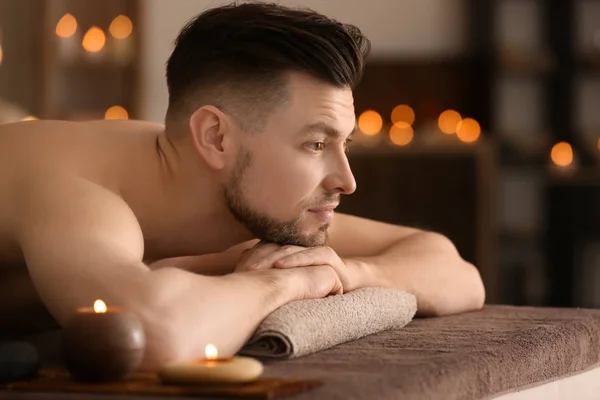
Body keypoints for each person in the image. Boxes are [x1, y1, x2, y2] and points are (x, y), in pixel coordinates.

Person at [0, 2, 485, 370]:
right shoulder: (79, 190)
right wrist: (291, 280)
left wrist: (350, 272)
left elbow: (456, 272)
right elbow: (148, 336)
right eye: (316, 145)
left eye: (344, 146)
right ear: (215, 137)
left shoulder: (245, 198)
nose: (347, 180)